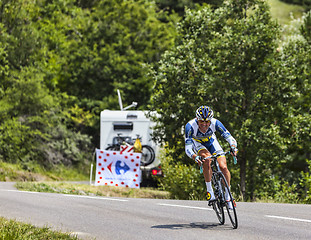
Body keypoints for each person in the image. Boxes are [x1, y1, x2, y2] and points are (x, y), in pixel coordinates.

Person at [184, 105, 238, 208]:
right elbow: (188, 148)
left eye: (207, 122)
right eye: (201, 122)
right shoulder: (190, 126)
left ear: (210, 120)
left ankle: (228, 197)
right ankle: (210, 192)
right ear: (197, 119)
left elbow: (230, 138)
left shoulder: (215, 123)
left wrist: (233, 147)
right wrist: (195, 157)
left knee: (223, 167)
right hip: (198, 144)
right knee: (207, 158)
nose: (204, 124)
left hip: (211, 141)